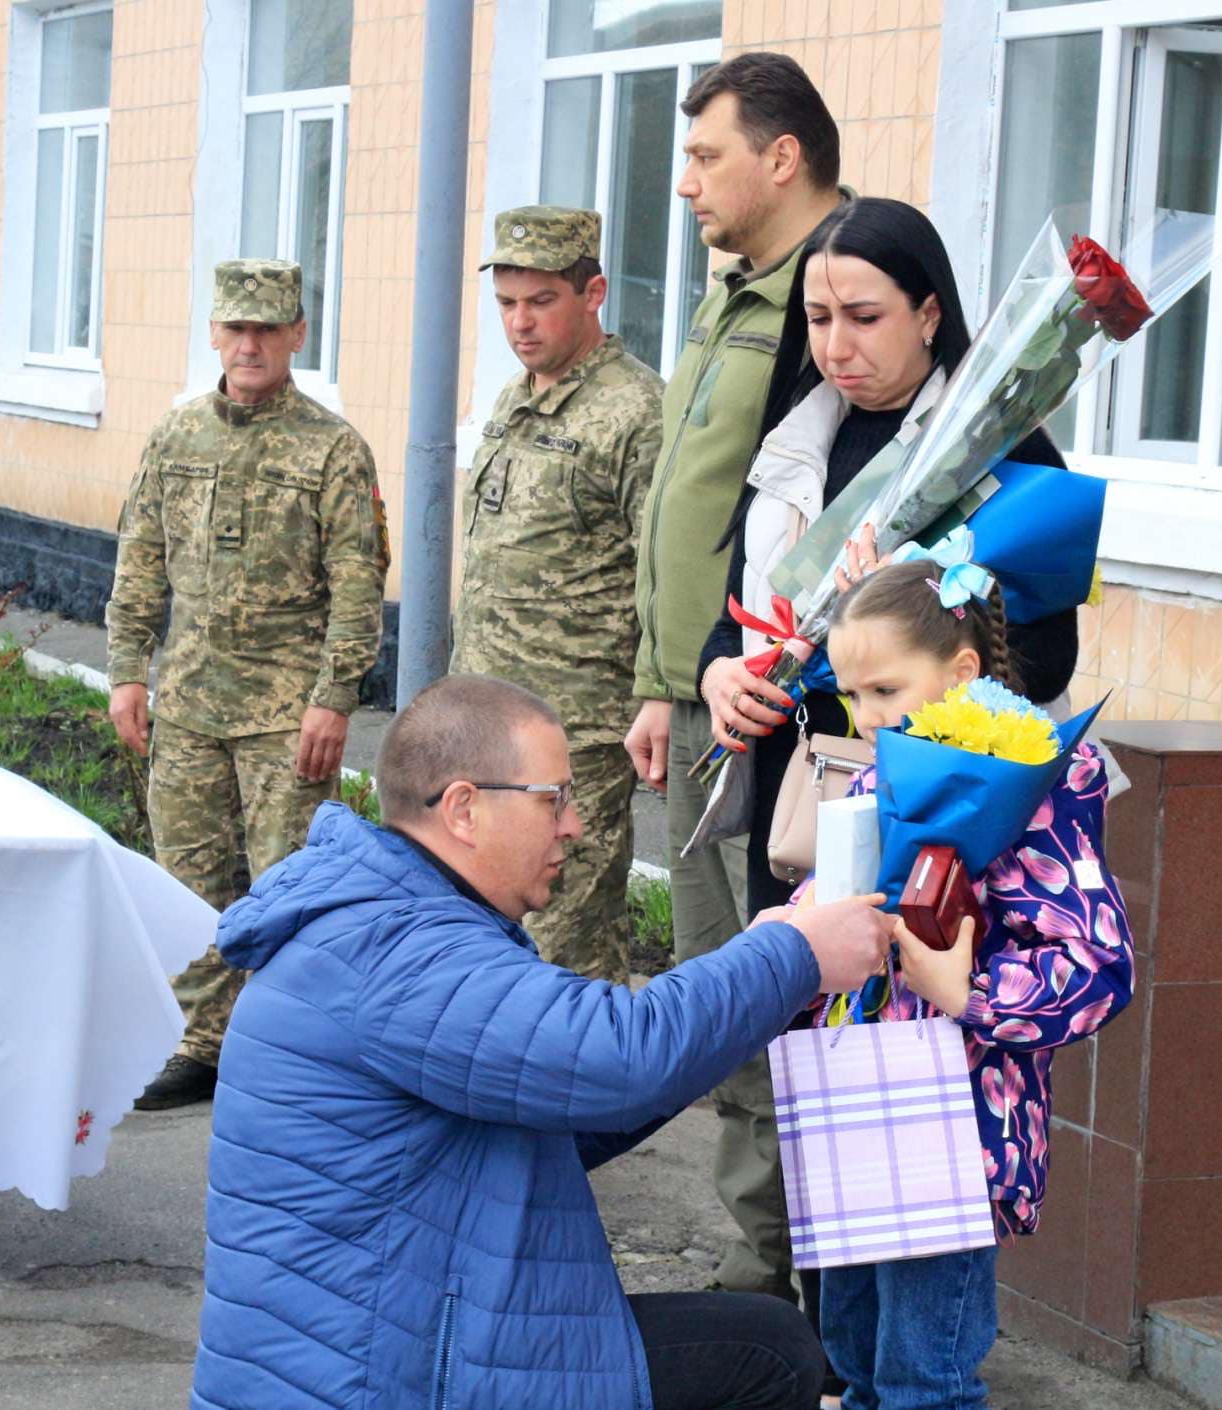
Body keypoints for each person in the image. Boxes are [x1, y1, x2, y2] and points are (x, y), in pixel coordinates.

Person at [189, 673, 897, 1410]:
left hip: (395, 1344)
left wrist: (760, 977)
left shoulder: (393, 917)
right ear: (463, 808)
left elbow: (575, 1099)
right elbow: (623, 1056)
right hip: (387, 1376)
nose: (575, 824)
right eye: (553, 798)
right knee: (772, 1355)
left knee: (763, 1339)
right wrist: (792, 958)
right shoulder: (399, 954)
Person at [698, 197, 1082, 923]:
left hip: (936, 814)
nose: (836, 347)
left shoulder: (1005, 455)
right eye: (818, 319)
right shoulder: (791, 440)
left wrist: (905, 617)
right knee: (795, 1020)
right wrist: (720, 676)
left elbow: (1046, 660)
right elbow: (732, 620)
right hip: (798, 809)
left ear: (929, 315)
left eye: (864, 318)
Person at [626, 48, 846, 1308]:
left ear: (782, 156)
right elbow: (697, 517)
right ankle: (763, 1263)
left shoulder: (826, 306)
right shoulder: (738, 294)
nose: (686, 184)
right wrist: (664, 680)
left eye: (706, 156)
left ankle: (783, 1283)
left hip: (781, 721)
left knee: (766, 994)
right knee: (716, 992)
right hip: (705, 697)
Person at [813, 558, 1136, 1410]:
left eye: (885, 690)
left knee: (925, 1374)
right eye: (853, 697)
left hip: (955, 1123)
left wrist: (971, 993)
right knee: (853, 1355)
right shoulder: (888, 771)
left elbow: (1097, 963)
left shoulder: (1038, 788)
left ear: (962, 673)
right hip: (858, 1103)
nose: (868, 717)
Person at [106, 258, 389, 1111]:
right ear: (216, 335)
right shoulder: (177, 435)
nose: (250, 343)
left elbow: (357, 582)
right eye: (236, 327)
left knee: (289, 887)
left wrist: (335, 696)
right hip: (188, 702)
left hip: (284, 714)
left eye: (268, 327)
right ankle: (204, 1043)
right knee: (191, 883)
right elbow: (141, 555)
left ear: (297, 334)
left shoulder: (332, 447)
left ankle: (293, 1049)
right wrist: (126, 669)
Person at [451, 205, 663, 983]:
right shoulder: (517, 397)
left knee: (565, 941)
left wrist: (656, 697)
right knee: (492, 930)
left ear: (594, 291)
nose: (520, 322)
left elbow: (662, 572)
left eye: (541, 301)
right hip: (490, 719)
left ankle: (581, 1102)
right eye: (507, 303)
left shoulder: (636, 411)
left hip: (576, 733)